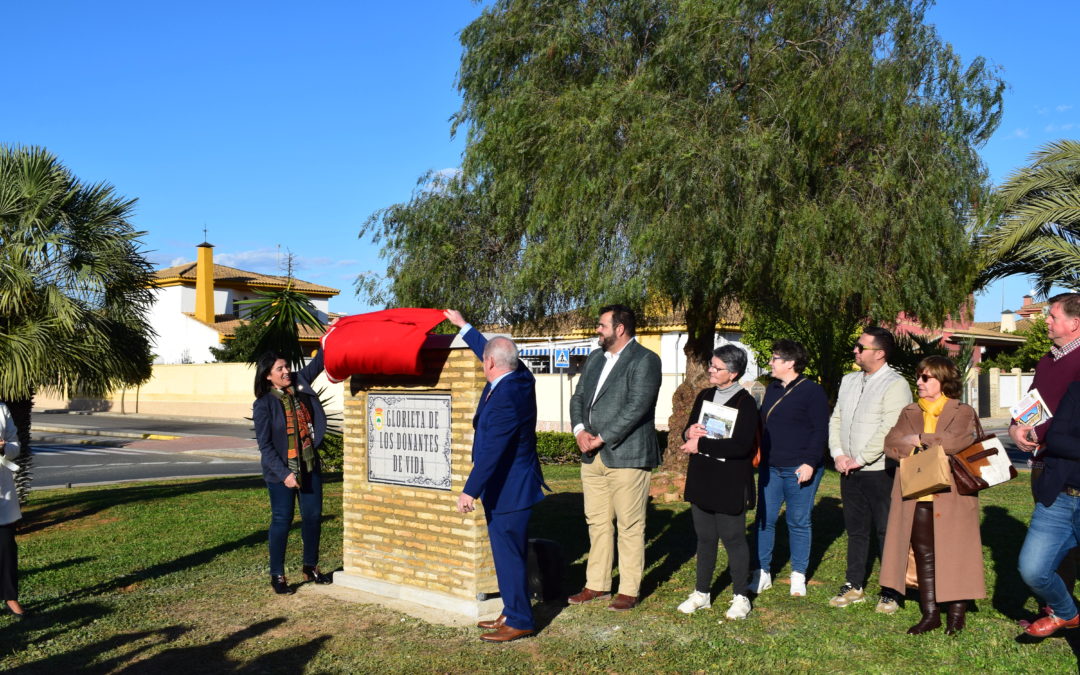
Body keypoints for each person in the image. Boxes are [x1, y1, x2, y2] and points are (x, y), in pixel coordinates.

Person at [445, 310, 547, 643]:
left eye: (484, 360)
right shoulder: (520, 377)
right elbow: (497, 352)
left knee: (509, 555)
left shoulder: (506, 397)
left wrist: (469, 491)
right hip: (508, 487)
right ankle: (511, 609)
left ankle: (520, 619)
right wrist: (465, 328)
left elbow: (493, 452)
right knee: (505, 554)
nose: (482, 364)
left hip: (510, 488)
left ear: (490, 364)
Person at [879, 356, 983, 635]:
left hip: (953, 494)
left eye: (926, 378)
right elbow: (891, 443)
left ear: (943, 380)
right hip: (916, 494)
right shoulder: (910, 410)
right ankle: (930, 613)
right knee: (924, 554)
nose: (919, 382)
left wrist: (920, 439)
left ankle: (956, 615)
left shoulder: (962, 411)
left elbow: (958, 441)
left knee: (955, 552)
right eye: (918, 376)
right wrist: (914, 443)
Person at [568, 305, 662, 611]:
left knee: (630, 524)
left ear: (620, 328)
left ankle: (629, 589)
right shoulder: (596, 358)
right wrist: (581, 430)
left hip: (628, 454)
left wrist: (603, 436)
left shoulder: (646, 360)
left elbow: (637, 406)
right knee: (596, 522)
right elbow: (579, 397)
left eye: (602, 326)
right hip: (591, 455)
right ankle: (597, 585)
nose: (598, 330)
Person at [827, 327, 912, 612]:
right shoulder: (849, 380)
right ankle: (854, 585)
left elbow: (890, 428)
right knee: (856, 529)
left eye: (860, 347)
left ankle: (892, 590)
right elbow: (836, 418)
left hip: (879, 469)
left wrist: (861, 458)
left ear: (879, 353)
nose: (855, 350)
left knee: (887, 530)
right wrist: (838, 454)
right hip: (848, 468)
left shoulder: (895, 384)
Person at [1010, 293, 1080, 626]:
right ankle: (1058, 608)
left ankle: (1060, 610)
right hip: (1045, 465)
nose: (1046, 321)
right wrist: (1015, 426)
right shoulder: (1047, 359)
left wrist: (1042, 433)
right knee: (1052, 546)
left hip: (1070, 464)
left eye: (1052, 316)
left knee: (1066, 546)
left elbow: (1070, 418)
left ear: (1074, 323)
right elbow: (1033, 403)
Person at [676, 345, 759, 619]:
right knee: (705, 539)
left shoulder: (746, 403)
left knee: (734, 538)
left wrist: (702, 445)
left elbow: (742, 446)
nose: (710, 370)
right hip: (703, 477)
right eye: (711, 365)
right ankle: (702, 592)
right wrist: (689, 431)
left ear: (733, 373)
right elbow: (687, 432)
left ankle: (740, 596)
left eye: (717, 367)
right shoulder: (705, 395)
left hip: (730, 481)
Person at [751, 339, 829, 597]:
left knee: (798, 521)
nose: (770, 363)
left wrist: (809, 462)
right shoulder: (772, 388)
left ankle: (798, 574)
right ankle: (762, 572)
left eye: (775, 358)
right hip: (770, 467)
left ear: (790, 363)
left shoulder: (812, 391)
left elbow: (820, 430)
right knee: (765, 519)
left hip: (800, 468)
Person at [253, 347, 334, 595]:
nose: (287, 371)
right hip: (281, 474)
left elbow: (319, 362)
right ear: (268, 375)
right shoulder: (263, 405)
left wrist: (329, 339)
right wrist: (285, 474)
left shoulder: (299, 383)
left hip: (308, 465)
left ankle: (310, 566)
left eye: (287, 366)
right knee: (281, 520)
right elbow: (265, 446)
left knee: (312, 517)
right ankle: (277, 574)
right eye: (280, 369)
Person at [1019, 380, 1080, 636]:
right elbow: (1055, 438)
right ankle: (1067, 613)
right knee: (1033, 570)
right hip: (1060, 496)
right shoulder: (1077, 389)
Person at [0, 403, 25, 619]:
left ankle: (10, 597)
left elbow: (15, 445)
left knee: (7, 546)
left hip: (1, 492)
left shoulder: (1, 409)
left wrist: (3, 448)